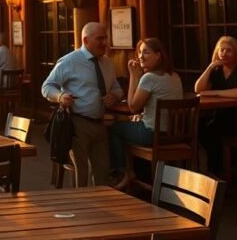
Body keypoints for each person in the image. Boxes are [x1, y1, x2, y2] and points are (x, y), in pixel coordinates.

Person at [41, 22, 124, 187]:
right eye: (99, 39)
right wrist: (60, 96)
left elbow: (117, 88)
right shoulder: (70, 61)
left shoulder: (107, 63)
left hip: (100, 123)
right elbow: (47, 86)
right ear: (85, 40)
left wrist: (115, 96)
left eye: (105, 38)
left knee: (102, 171)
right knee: (82, 172)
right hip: (77, 123)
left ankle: (101, 208)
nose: (104, 43)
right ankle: (81, 206)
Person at [108, 38, 183, 189]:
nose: (141, 56)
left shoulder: (149, 78)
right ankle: (143, 175)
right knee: (133, 124)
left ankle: (124, 172)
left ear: (158, 55)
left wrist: (133, 76)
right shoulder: (175, 76)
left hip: (152, 134)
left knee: (114, 129)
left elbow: (133, 107)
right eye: (139, 52)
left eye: (146, 52)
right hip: (174, 134)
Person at [194, 35, 237, 175]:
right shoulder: (217, 70)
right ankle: (217, 167)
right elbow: (198, 89)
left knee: (211, 131)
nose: (224, 53)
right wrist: (210, 66)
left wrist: (213, 93)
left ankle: (217, 171)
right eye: (221, 50)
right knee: (198, 125)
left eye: (228, 50)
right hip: (226, 117)